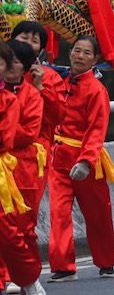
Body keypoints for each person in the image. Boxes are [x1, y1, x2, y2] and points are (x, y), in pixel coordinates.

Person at [48, 36, 114, 282]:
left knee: (97, 213)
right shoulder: (58, 81)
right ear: (70, 53)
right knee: (58, 212)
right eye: (77, 51)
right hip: (57, 159)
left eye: (87, 53)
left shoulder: (97, 91)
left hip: (86, 161)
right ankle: (63, 266)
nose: (80, 56)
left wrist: (86, 160)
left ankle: (106, 261)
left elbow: (97, 130)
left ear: (96, 59)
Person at [0, 41, 47, 295]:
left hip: (20, 168)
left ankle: (28, 276)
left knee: (19, 228)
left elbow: (27, 133)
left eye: (15, 61)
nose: (8, 66)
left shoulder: (26, 96)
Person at [10, 21, 66, 209]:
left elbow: (58, 116)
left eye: (34, 40)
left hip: (33, 154)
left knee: (25, 214)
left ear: (40, 49)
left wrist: (40, 86)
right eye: (24, 37)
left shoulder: (49, 77)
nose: (28, 43)